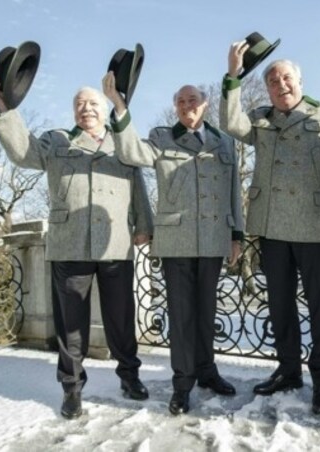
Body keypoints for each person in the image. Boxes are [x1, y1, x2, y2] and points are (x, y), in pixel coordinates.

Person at [0, 79, 154, 420]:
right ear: (73, 111)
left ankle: (129, 376)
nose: (86, 108)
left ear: (105, 108)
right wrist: (5, 109)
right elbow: (23, 154)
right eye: (80, 104)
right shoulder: (55, 140)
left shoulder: (122, 142)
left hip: (114, 241)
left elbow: (137, 183)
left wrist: (145, 225)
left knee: (120, 318)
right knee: (70, 324)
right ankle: (72, 388)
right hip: (69, 244)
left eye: (92, 103)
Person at [102, 73, 244, 415]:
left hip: (212, 240)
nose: (186, 106)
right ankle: (183, 384)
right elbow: (131, 151)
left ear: (205, 104)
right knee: (181, 318)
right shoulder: (162, 138)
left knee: (207, 313)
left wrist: (236, 235)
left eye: (192, 100)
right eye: (180, 102)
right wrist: (120, 107)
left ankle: (207, 372)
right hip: (176, 241)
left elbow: (233, 191)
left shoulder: (224, 142)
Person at [220, 43, 320, 415]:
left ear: (300, 81)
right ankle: (288, 370)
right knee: (279, 306)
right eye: (273, 80)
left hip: (316, 227)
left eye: (286, 78)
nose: (280, 84)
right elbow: (231, 123)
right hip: (273, 225)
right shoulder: (260, 120)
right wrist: (233, 76)